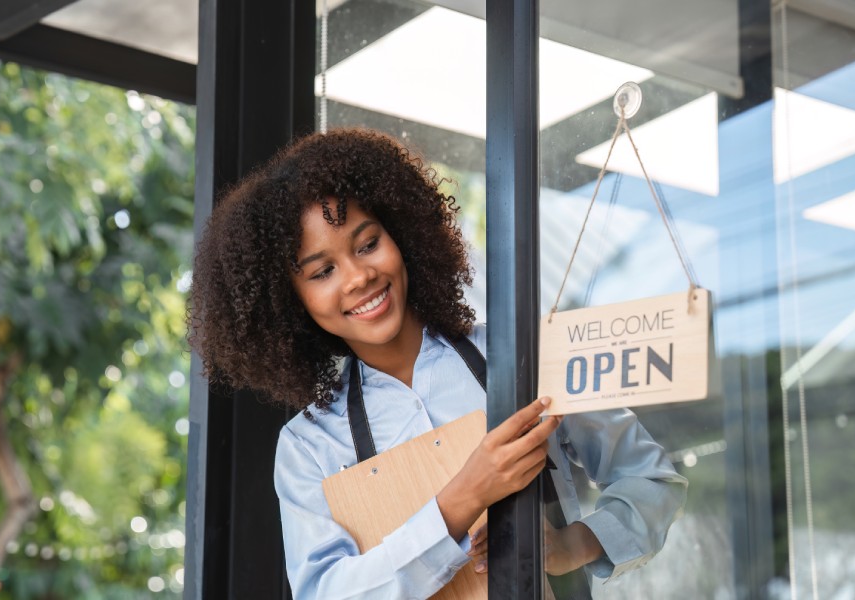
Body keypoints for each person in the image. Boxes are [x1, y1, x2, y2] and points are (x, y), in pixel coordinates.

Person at [188, 128, 687, 599]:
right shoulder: (311, 446)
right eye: (323, 271)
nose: (359, 276)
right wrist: (460, 502)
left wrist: (571, 545)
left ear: (402, 235)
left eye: (368, 245)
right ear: (289, 302)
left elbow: (652, 478)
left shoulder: (524, 358)